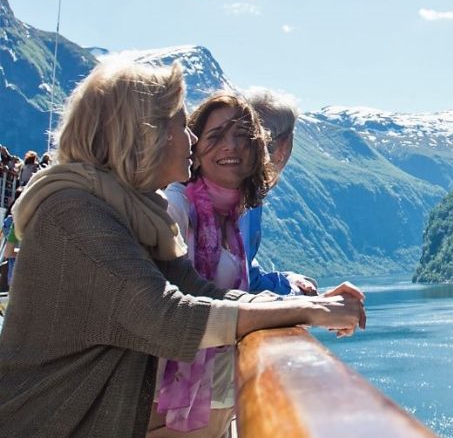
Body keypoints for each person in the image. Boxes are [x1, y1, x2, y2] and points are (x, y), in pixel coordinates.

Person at [0, 61, 365, 438]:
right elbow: (166, 315)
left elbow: (200, 291)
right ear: (141, 134)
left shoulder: (136, 213)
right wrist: (313, 309)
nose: (191, 139)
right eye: (178, 124)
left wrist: (305, 304)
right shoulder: (76, 213)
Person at [151, 92, 271, 436]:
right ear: (195, 148)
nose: (231, 146)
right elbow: (169, 306)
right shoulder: (176, 208)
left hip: (215, 401)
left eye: (241, 136)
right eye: (216, 136)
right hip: (165, 405)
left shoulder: (232, 218)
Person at [240, 88, 317, 295]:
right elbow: (242, 280)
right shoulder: (241, 195)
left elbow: (243, 270)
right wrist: (295, 292)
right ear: (284, 146)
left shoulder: (241, 187)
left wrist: (288, 279)